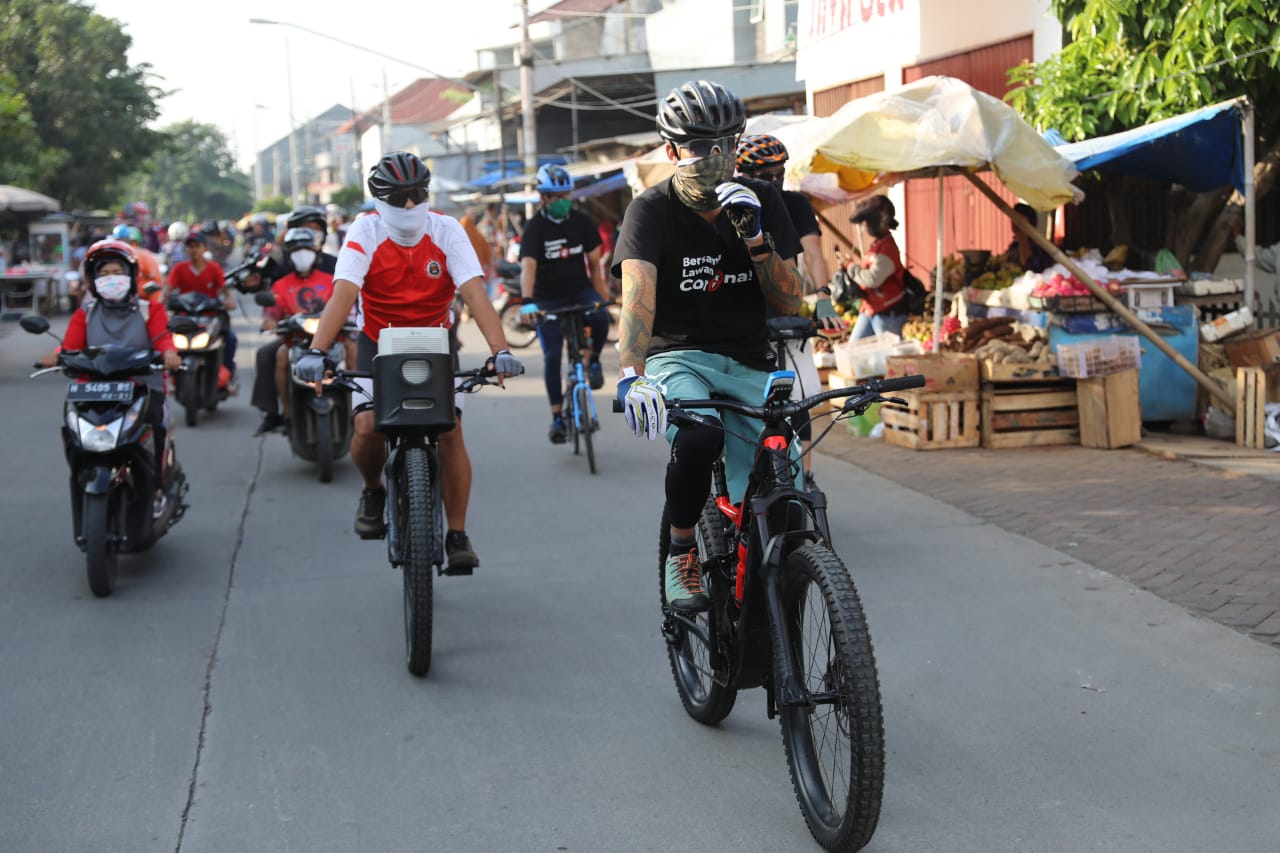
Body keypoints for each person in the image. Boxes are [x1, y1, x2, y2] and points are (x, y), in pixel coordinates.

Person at [611, 79, 804, 612]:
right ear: (672, 151)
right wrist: (632, 374)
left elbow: (791, 302)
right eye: (700, 146)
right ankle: (681, 551)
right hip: (679, 357)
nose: (715, 156)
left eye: (726, 142)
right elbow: (638, 302)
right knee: (698, 438)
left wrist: (755, 238)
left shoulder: (762, 199)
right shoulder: (650, 210)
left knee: (790, 469)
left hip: (749, 358)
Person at [293, 151, 523, 574]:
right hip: (377, 342)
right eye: (400, 197)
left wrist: (500, 351)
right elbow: (343, 293)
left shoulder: (447, 230)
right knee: (365, 428)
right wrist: (316, 352)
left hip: (436, 342)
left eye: (418, 194)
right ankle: (372, 488)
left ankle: (457, 534)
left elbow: (474, 293)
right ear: (380, 200)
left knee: (451, 432)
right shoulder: (364, 231)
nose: (411, 206)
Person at [734, 133, 844, 484]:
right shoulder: (730, 203)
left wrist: (824, 296)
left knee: (800, 400)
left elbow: (812, 253)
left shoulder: (794, 204)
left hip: (785, 311)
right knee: (744, 403)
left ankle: (805, 475)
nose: (774, 181)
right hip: (742, 315)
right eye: (765, 175)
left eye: (779, 173)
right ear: (742, 172)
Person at [38, 239, 182, 487]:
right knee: (73, 432)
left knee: (156, 425)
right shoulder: (86, 311)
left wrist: (169, 354)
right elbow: (70, 346)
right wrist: (55, 355)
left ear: (130, 275)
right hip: (94, 388)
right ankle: (82, 471)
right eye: (104, 273)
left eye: (117, 272)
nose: (111, 278)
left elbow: (164, 341)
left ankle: (157, 485)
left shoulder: (151, 310)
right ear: (93, 280)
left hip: (141, 386)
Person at [518, 163, 611, 443]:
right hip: (547, 299)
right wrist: (527, 302)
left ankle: (592, 361)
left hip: (580, 291)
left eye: (566, 195)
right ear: (543, 198)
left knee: (601, 318)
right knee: (552, 356)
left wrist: (602, 300)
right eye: (555, 197)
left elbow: (595, 267)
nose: (562, 202)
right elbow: (528, 268)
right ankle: (557, 417)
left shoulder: (582, 222)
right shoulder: (534, 228)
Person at [257, 226, 350, 426]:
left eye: (306, 250)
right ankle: (287, 411)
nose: (302, 256)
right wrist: (270, 321)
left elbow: (346, 302)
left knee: (354, 349)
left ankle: (358, 408)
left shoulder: (332, 279)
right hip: (296, 339)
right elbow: (272, 311)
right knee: (280, 356)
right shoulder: (280, 284)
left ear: (316, 252)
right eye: (297, 251)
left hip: (334, 336)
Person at [166, 231, 238, 392]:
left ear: (204, 247)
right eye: (190, 247)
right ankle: (171, 376)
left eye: (197, 246)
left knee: (231, 339)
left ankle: (228, 377)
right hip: (185, 318)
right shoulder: (179, 269)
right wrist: (161, 302)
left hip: (211, 318)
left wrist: (229, 301)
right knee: (168, 341)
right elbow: (167, 290)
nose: (194, 250)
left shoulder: (214, 268)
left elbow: (225, 290)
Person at [836, 194, 909, 342]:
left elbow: (872, 279)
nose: (863, 226)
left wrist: (850, 266)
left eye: (865, 222)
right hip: (870, 309)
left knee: (888, 357)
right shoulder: (878, 245)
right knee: (854, 350)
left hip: (887, 312)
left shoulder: (888, 248)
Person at [1006, 203, 1053, 273]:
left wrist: (1022, 236)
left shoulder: (1038, 245)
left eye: (1017, 218)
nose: (1013, 222)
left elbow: (1028, 265)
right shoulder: (1014, 245)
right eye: (1012, 218)